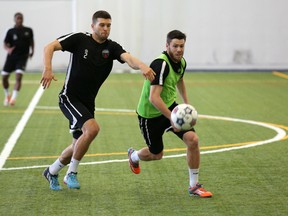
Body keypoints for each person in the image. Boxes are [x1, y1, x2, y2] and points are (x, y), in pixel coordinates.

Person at [40, 10, 155, 191]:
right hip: (69, 98)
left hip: (87, 102)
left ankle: (52, 171)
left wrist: (142, 66)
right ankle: (72, 173)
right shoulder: (79, 39)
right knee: (93, 128)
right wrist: (47, 68)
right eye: (101, 25)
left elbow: (128, 58)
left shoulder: (112, 48)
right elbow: (49, 47)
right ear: (92, 26)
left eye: (108, 25)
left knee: (76, 145)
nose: (105, 29)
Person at [128, 30, 213, 198]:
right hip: (150, 114)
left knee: (193, 140)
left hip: (170, 107)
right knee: (156, 154)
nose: (179, 49)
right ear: (167, 46)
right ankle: (134, 156)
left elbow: (180, 79)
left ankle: (194, 186)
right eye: (175, 46)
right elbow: (153, 98)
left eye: (182, 46)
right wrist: (172, 118)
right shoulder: (161, 65)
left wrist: (186, 104)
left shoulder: (181, 62)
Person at [1, 12, 34, 106]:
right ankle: (7, 95)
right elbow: (5, 43)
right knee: (4, 78)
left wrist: (32, 51)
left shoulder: (28, 30)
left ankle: (13, 99)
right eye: (18, 18)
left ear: (23, 19)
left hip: (22, 57)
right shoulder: (10, 31)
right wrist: (8, 49)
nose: (19, 20)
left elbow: (31, 41)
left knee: (18, 77)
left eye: (21, 18)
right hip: (11, 58)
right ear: (14, 20)